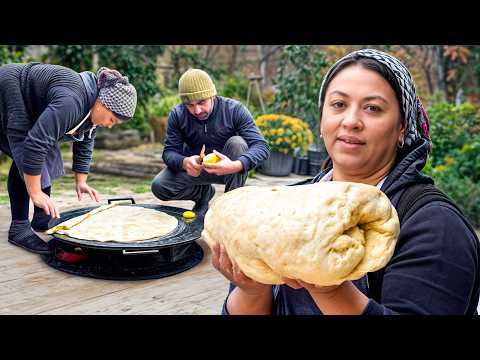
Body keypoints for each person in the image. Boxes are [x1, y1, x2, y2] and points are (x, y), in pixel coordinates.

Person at [211, 49, 480, 315]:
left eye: (373, 108)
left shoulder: (436, 226)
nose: (351, 121)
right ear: (322, 119)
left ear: (402, 127)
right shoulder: (284, 207)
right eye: (339, 105)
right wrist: (252, 289)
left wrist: (329, 288)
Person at [0, 63, 137, 254]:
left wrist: (81, 181)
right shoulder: (72, 100)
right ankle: (19, 228)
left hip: (27, 99)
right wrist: (36, 192)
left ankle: (41, 218)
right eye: (112, 120)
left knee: (46, 150)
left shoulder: (93, 106)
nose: (110, 125)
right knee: (27, 149)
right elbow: (35, 144)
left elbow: (85, 141)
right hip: (9, 87)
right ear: (103, 103)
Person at [151, 69, 270, 215]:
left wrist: (236, 165)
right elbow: (169, 152)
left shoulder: (235, 110)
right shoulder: (178, 114)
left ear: (212, 95)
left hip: (231, 169)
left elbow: (262, 146)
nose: (197, 110)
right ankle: (203, 194)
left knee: (238, 143)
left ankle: (229, 208)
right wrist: (184, 162)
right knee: (159, 186)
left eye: (202, 102)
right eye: (190, 105)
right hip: (198, 170)